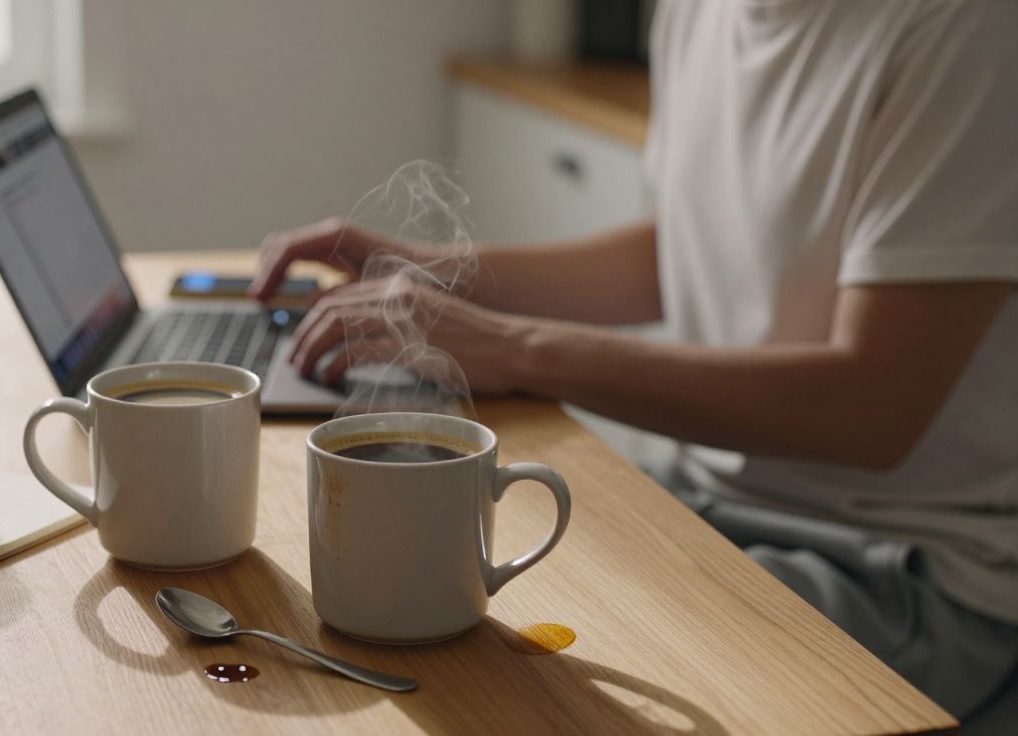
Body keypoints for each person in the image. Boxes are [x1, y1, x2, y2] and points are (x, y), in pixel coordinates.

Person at [248, 0, 1018, 724]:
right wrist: (420, 269)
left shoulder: (964, 30)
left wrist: (518, 351)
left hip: (903, 570)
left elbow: (876, 410)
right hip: (705, 498)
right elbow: (680, 248)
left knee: (505, 688)